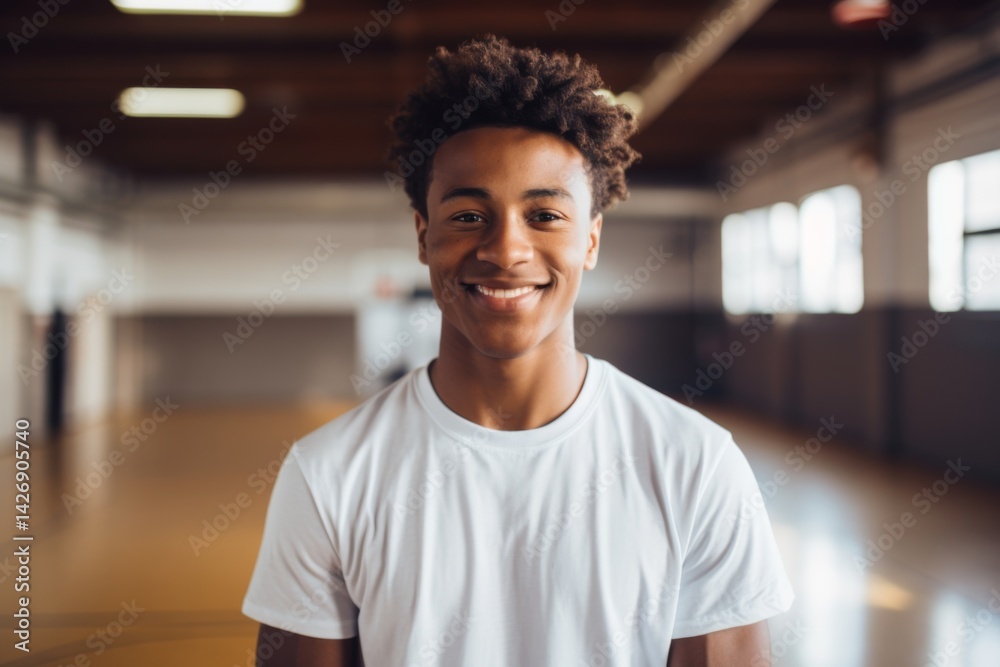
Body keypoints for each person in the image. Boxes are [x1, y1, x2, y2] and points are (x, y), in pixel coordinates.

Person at [241, 34, 794, 666]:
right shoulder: (329, 474)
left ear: (590, 240)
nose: (506, 252)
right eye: (469, 215)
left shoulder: (694, 465)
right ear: (424, 236)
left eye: (545, 216)